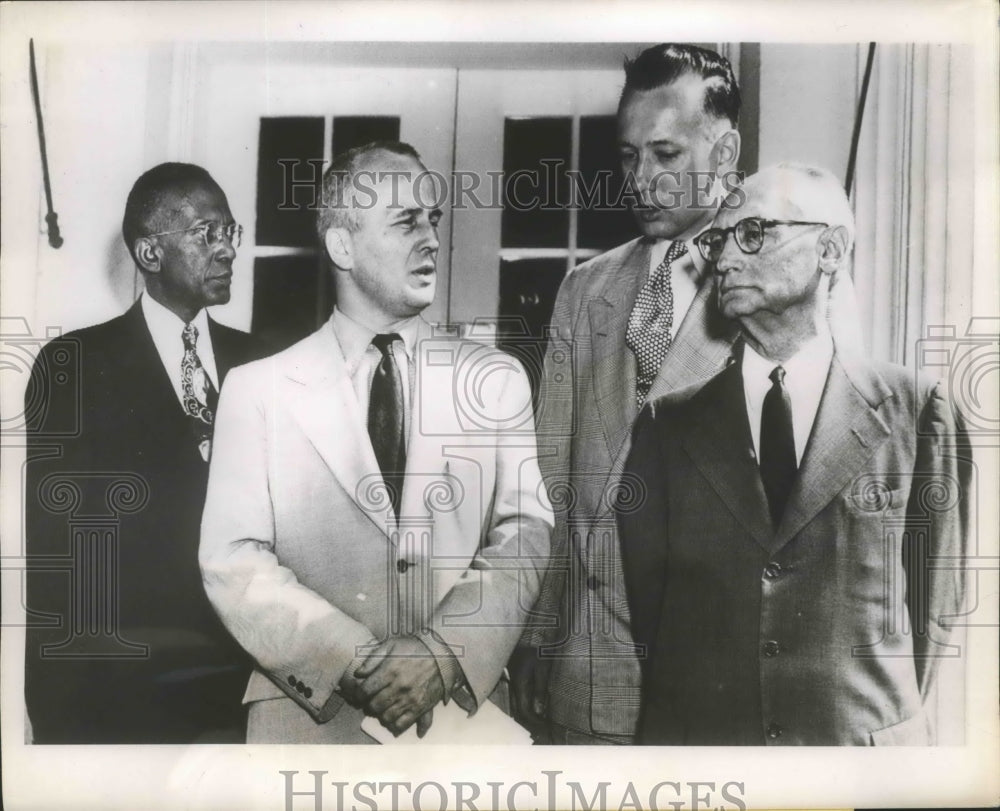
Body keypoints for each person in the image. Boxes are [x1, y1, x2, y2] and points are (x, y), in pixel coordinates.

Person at [514, 42, 863, 745]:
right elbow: (545, 483)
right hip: (577, 683)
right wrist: (532, 642)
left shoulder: (788, 284)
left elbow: (824, 507)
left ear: (725, 148)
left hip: (717, 692)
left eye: (666, 155)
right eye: (627, 156)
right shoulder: (585, 289)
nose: (641, 179)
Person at [199, 141, 553, 743]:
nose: (432, 239)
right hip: (308, 723)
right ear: (343, 245)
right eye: (406, 221)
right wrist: (351, 658)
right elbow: (232, 560)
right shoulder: (257, 389)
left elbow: (527, 533)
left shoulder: (495, 380)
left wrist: (441, 655)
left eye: (433, 220)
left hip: (460, 725)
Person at [619, 163, 970, 745]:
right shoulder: (666, 427)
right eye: (717, 240)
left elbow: (933, 613)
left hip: (859, 769)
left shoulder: (917, 413)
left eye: (753, 233)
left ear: (830, 249)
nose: (725, 259)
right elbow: (653, 619)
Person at [24, 162, 265, 743]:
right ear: (150, 254)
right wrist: (58, 708)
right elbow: (58, 553)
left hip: (249, 687)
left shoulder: (263, 365)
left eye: (230, 231)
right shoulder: (73, 366)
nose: (228, 249)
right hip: (122, 693)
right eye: (207, 232)